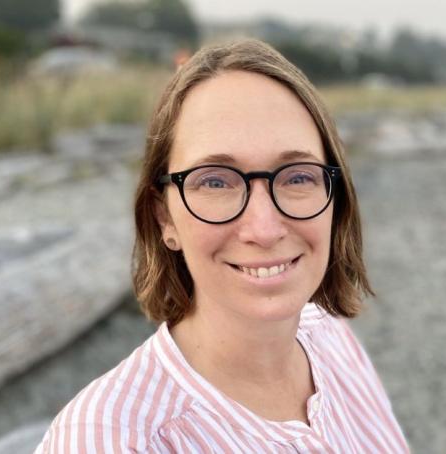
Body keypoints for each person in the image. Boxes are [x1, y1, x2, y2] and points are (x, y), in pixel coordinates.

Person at [35, 39, 409, 453]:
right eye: (215, 181)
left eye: (297, 177)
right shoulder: (110, 440)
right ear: (164, 218)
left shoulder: (331, 338)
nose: (264, 229)